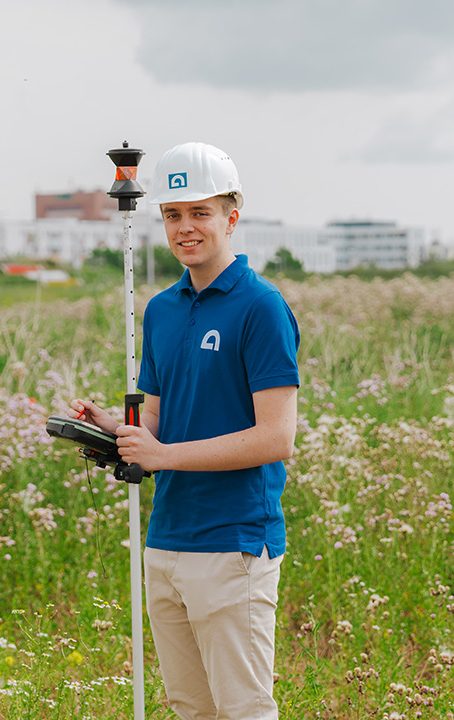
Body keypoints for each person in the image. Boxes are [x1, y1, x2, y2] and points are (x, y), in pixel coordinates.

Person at [70, 141, 300, 720]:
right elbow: (155, 422)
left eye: (201, 212)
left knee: (243, 709)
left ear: (231, 217)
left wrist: (163, 454)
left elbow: (276, 439)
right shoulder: (161, 311)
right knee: (189, 709)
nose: (186, 227)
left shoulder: (261, 307)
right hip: (166, 541)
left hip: (233, 544)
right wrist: (113, 427)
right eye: (173, 214)